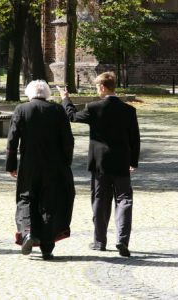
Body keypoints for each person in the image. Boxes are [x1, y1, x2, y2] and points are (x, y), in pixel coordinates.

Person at [57, 71, 140, 257]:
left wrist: (65, 99)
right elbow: (135, 139)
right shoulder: (129, 110)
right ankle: (122, 240)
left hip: (100, 162)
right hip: (121, 161)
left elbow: (72, 116)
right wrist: (133, 161)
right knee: (124, 200)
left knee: (100, 200)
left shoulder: (93, 107)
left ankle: (100, 241)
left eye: (96, 86)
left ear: (102, 87)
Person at [6, 80, 75, 260]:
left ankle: (28, 232)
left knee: (26, 198)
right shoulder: (58, 110)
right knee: (49, 201)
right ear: (47, 94)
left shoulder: (22, 110)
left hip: (29, 163)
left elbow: (12, 141)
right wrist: (66, 162)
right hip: (54, 165)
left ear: (29, 94)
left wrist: (11, 165)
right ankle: (47, 246)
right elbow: (68, 141)